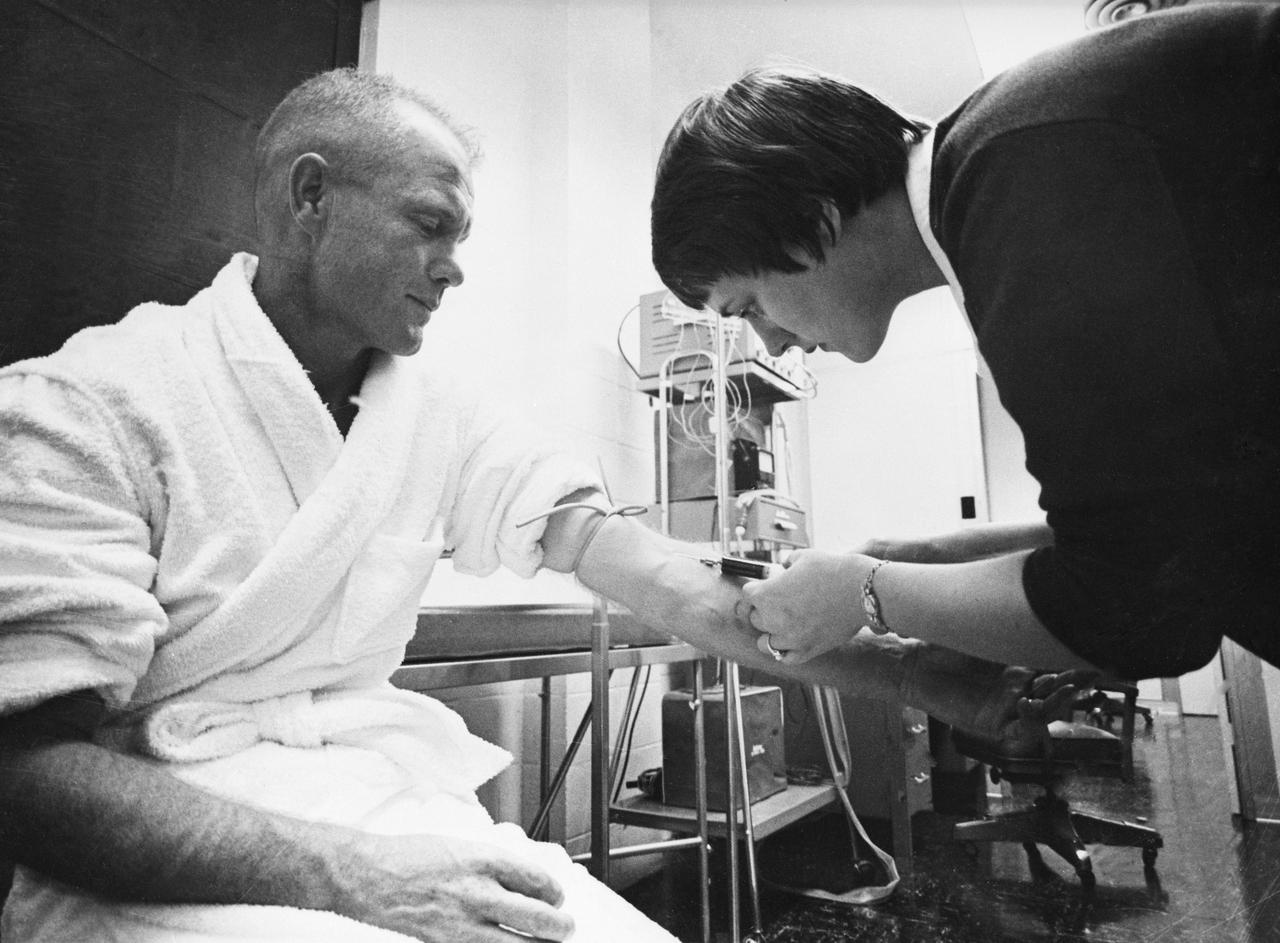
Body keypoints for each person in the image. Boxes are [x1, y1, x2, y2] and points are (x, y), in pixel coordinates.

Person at [0, 68, 1082, 942]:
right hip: (174, 839)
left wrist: (907, 670)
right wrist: (354, 878)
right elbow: (29, 772)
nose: (453, 269)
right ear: (309, 197)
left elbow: (654, 576)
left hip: (374, 798)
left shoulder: (434, 418)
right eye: (430, 226)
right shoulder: (87, 405)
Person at [650, 4, 1280, 682]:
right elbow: (1162, 529)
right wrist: (914, 557)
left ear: (813, 222)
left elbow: (1146, 611)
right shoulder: (1004, 175)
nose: (768, 344)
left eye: (748, 306)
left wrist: (868, 592)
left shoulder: (1029, 182)